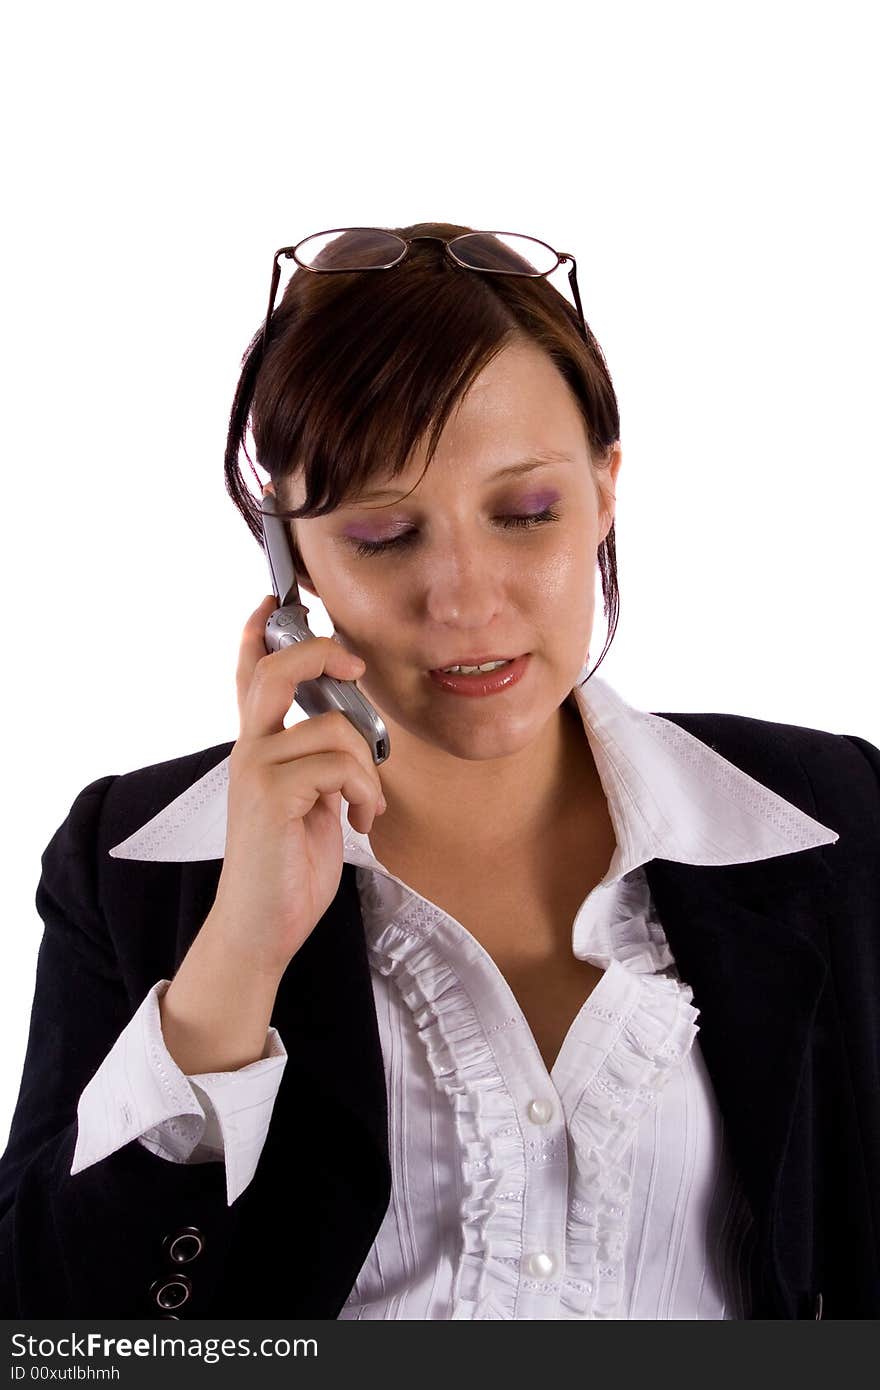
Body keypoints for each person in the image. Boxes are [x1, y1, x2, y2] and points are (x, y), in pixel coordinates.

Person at [1, 223, 878, 1320]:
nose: (464, 598)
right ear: (288, 553)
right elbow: (53, 1335)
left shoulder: (832, 820)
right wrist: (233, 963)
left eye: (525, 514)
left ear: (606, 490)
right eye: (380, 533)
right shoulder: (134, 862)